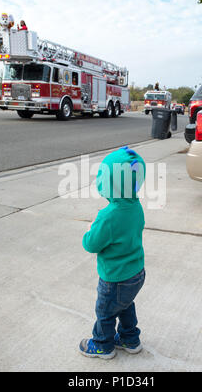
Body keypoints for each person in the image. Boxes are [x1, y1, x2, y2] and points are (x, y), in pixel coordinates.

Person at [80, 146, 146, 360]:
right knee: (125, 305)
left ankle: (102, 345)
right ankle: (130, 339)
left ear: (110, 182)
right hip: (136, 273)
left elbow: (91, 244)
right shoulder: (136, 207)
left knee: (106, 312)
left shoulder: (108, 216)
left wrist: (89, 230)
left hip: (114, 278)